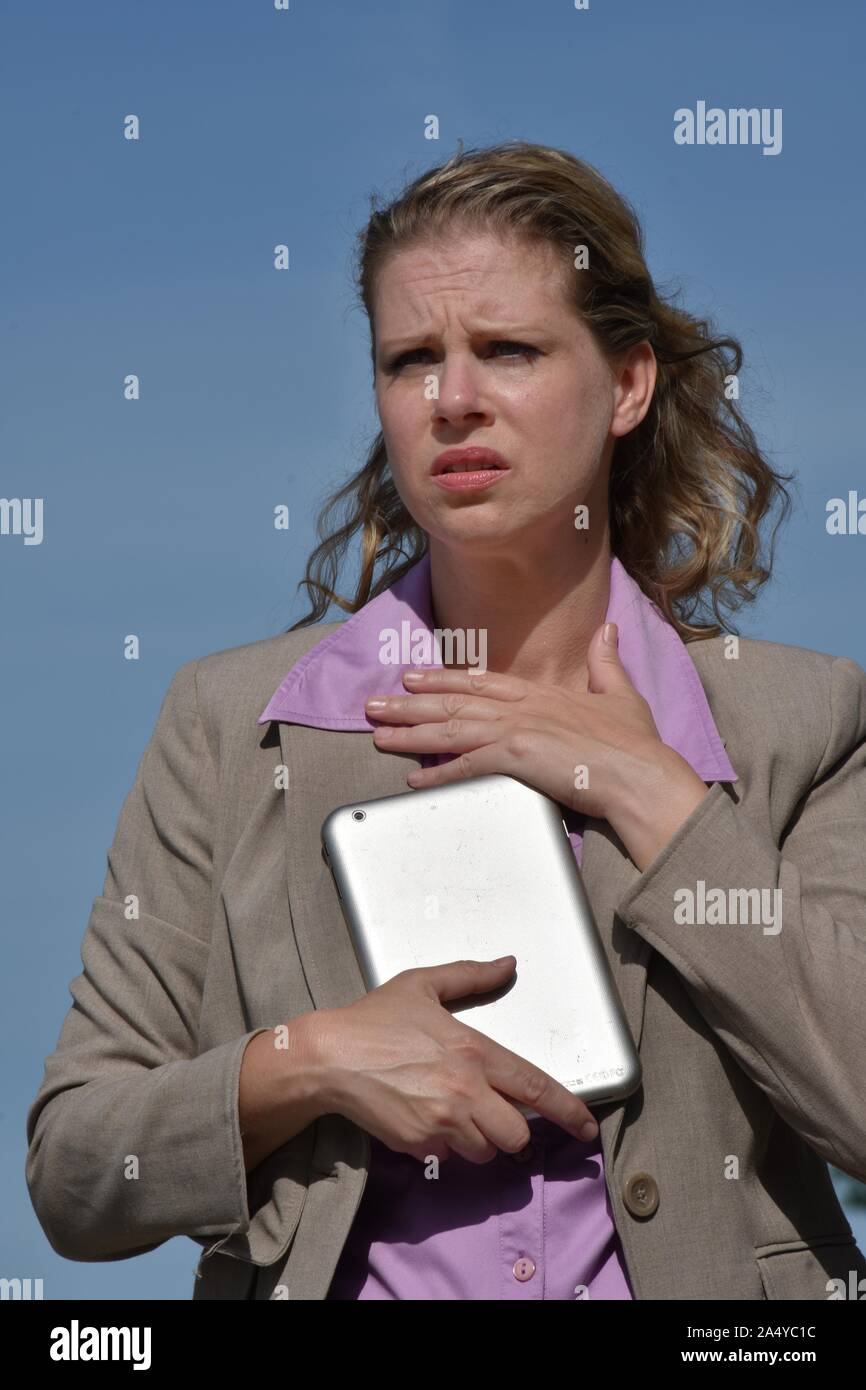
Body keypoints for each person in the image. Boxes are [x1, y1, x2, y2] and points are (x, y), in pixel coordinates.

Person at [25, 141, 866, 1301]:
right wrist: (313, 1060)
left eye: (508, 350)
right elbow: (76, 1170)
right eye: (410, 358)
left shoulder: (799, 718)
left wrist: (653, 792)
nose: (452, 398)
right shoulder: (230, 725)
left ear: (628, 384)